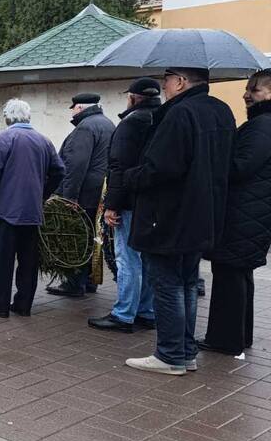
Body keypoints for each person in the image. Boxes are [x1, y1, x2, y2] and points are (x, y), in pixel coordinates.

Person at [123, 68, 236, 375]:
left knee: (168, 284)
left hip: (170, 216)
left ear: (181, 81)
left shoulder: (179, 113)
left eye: (168, 79)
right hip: (203, 213)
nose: (164, 85)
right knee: (186, 283)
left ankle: (170, 354)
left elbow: (161, 167)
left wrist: (130, 177)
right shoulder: (221, 111)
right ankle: (185, 352)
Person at [200, 69, 271, 356]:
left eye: (254, 89)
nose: (246, 94)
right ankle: (239, 336)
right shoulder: (262, 124)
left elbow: (240, 167)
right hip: (251, 213)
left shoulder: (262, 126)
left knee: (230, 274)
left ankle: (224, 339)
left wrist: (218, 153)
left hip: (243, 214)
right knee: (239, 274)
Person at [0, 99, 65, 318]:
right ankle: (23, 305)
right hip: (32, 211)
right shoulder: (43, 140)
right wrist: (42, 193)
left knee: (1, 260)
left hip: (6, 210)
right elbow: (59, 170)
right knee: (28, 261)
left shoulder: (3, 139)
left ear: (7, 117)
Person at [88, 78, 161, 333]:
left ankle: (124, 314)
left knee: (127, 258)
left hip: (129, 201)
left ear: (132, 97)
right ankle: (146, 311)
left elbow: (118, 166)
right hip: (153, 201)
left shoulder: (131, 122)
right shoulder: (162, 119)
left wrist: (112, 205)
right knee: (146, 258)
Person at [47, 93, 115, 297]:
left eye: (73, 108)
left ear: (79, 108)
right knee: (94, 237)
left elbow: (75, 165)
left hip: (85, 193)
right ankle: (89, 280)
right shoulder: (108, 123)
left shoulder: (85, 127)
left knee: (78, 238)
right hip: (100, 191)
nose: (72, 112)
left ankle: (74, 283)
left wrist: (69, 197)